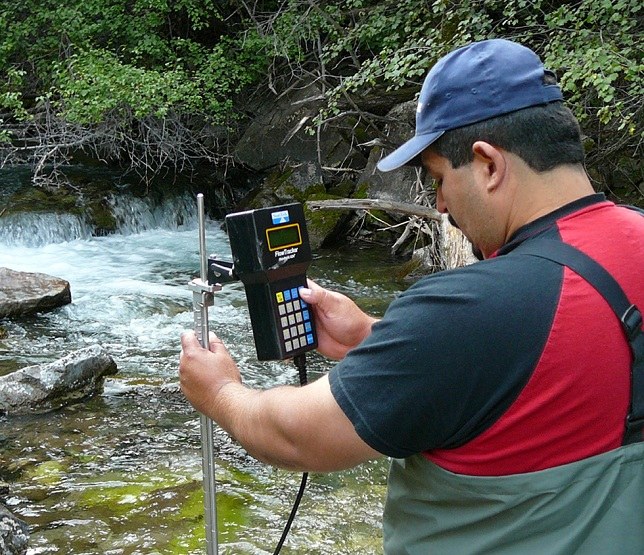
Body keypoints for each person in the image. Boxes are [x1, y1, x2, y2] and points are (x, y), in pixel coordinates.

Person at [179, 38, 644, 553]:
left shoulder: (471, 309)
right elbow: (544, 372)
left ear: (489, 165)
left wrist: (220, 393)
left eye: (439, 178)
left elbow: (300, 437)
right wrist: (375, 339)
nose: (441, 204)